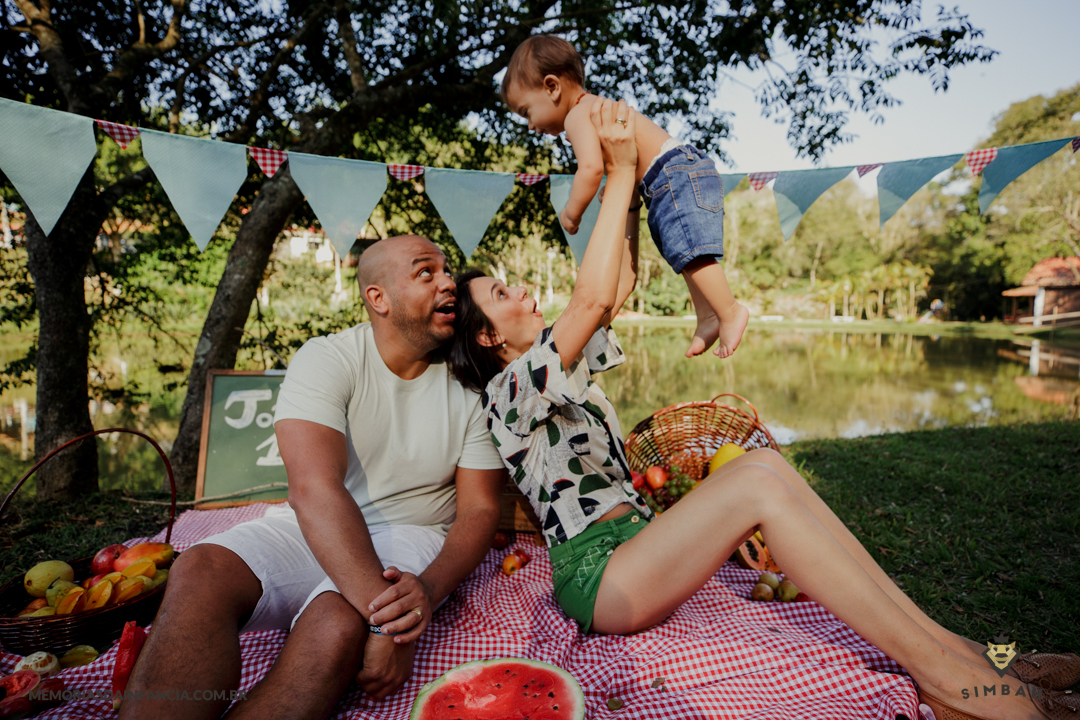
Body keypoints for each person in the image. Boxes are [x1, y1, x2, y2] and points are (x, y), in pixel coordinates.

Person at [447, 96, 1080, 720]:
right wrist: (613, 175)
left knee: (769, 469)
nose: (522, 289)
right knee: (757, 484)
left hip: (639, 551)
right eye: (503, 293)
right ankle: (954, 684)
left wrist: (634, 183)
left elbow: (613, 292)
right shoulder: (511, 391)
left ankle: (968, 658)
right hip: (601, 578)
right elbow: (587, 302)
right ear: (486, 337)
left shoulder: (558, 365)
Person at [120, 235, 508, 720]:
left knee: (337, 619)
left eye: (447, 270)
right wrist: (390, 621)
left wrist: (422, 594)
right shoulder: (328, 359)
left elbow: (479, 509)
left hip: (412, 534)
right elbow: (313, 488)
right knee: (199, 568)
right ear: (378, 298)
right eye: (425, 272)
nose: (449, 282)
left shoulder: (469, 388)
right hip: (311, 522)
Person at [501, 34, 750, 360]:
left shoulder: (577, 116)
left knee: (691, 250)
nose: (530, 125)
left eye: (526, 111)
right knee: (681, 251)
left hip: (672, 173)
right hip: (668, 175)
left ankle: (729, 310)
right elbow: (616, 164)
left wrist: (571, 214)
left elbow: (589, 169)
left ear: (552, 87)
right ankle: (708, 315)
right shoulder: (593, 109)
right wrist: (620, 182)